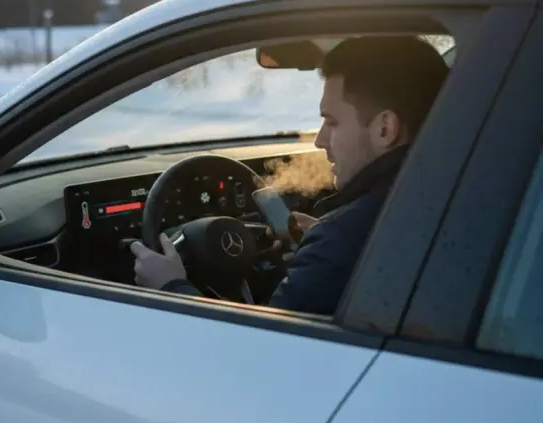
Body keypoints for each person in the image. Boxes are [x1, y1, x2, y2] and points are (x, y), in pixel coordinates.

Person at [130, 35, 450, 315]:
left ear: (384, 128)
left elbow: (257, 359)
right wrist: (317, 248)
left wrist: (171, 287)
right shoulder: (447, 194)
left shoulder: (342, 240)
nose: (320, 140)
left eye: (332, 122)